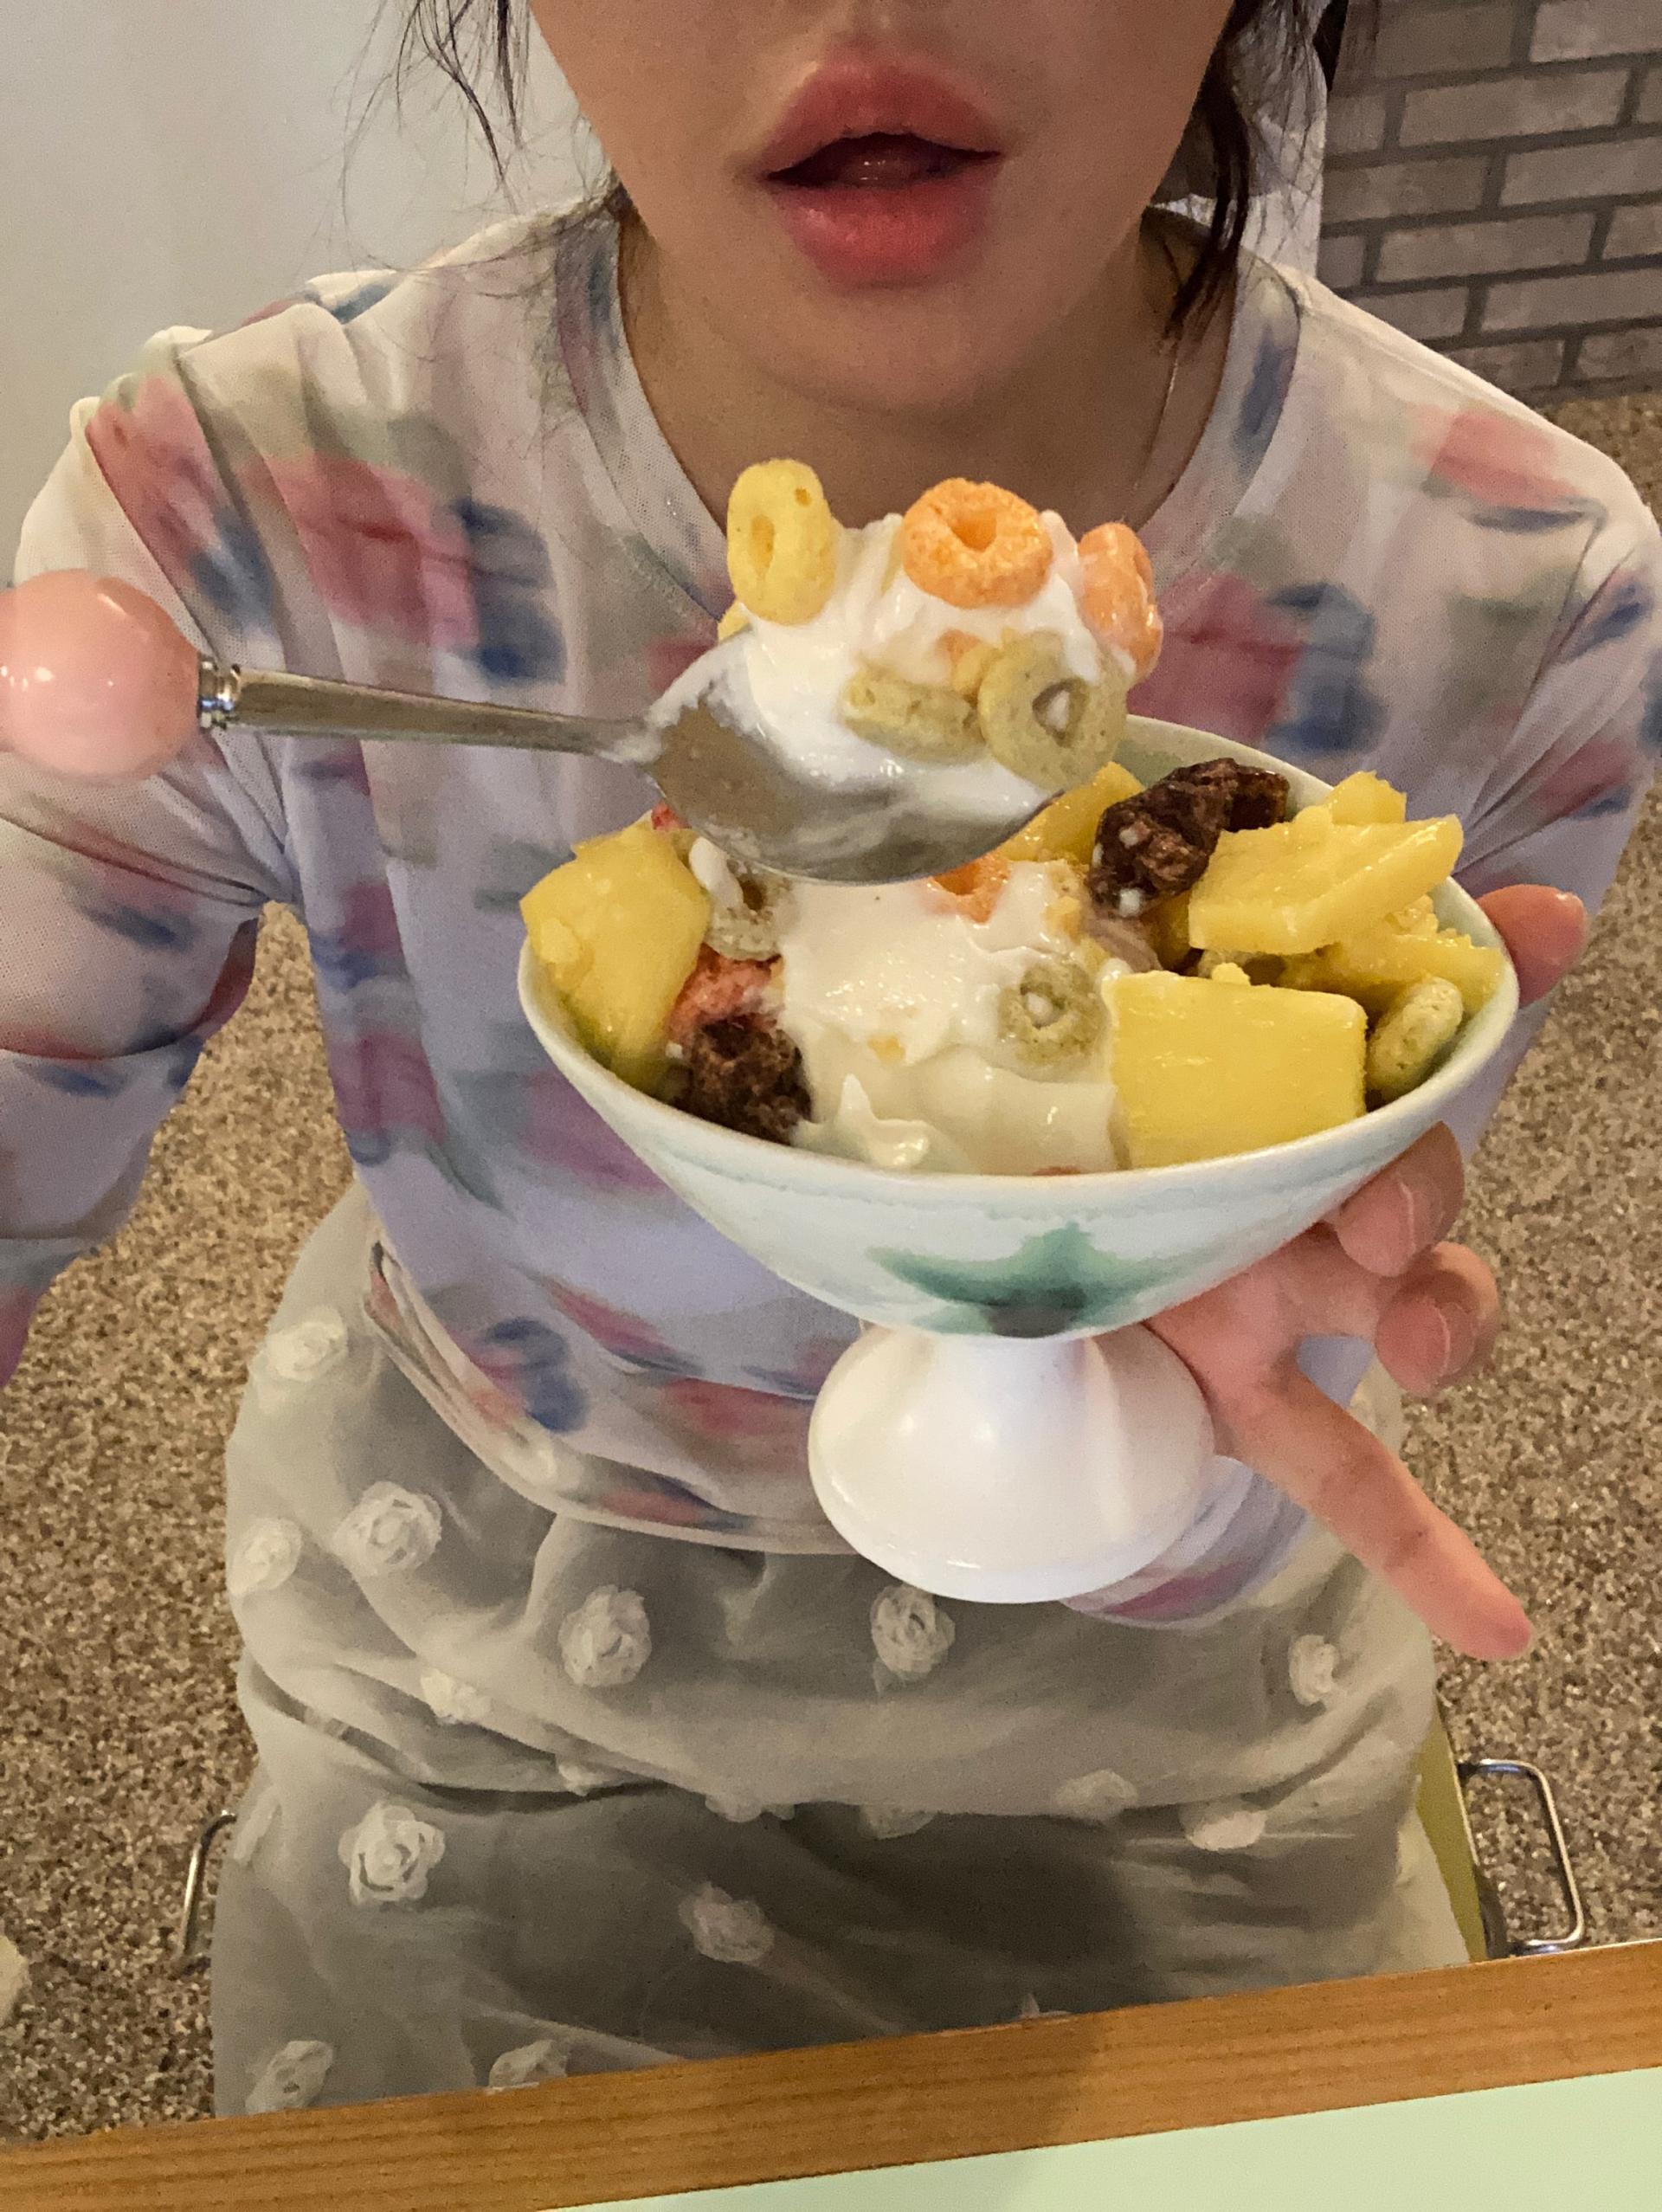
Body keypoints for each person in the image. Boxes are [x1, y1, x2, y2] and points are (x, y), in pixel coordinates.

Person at [2, 0, 1657, 2120]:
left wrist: (1205, 1288)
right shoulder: (248, 519)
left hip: (1181, 1727)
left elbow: (1330, 1236)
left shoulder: (1517, 588)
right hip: (493, 1699)